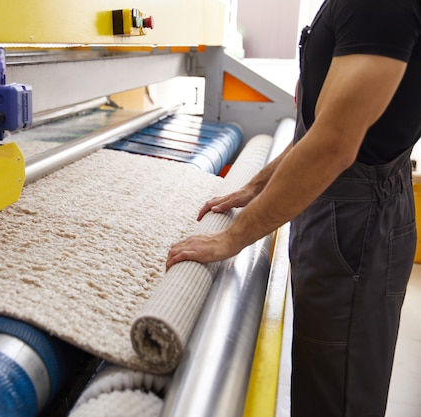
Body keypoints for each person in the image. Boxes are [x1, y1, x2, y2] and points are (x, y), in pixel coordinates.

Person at [166, 0, 421, 416]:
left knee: (335, 397)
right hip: (337, 203)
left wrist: (233, 237)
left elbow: (335, 143)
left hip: (355, 221)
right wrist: (256, 186)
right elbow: (320, 130)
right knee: (319, 376)